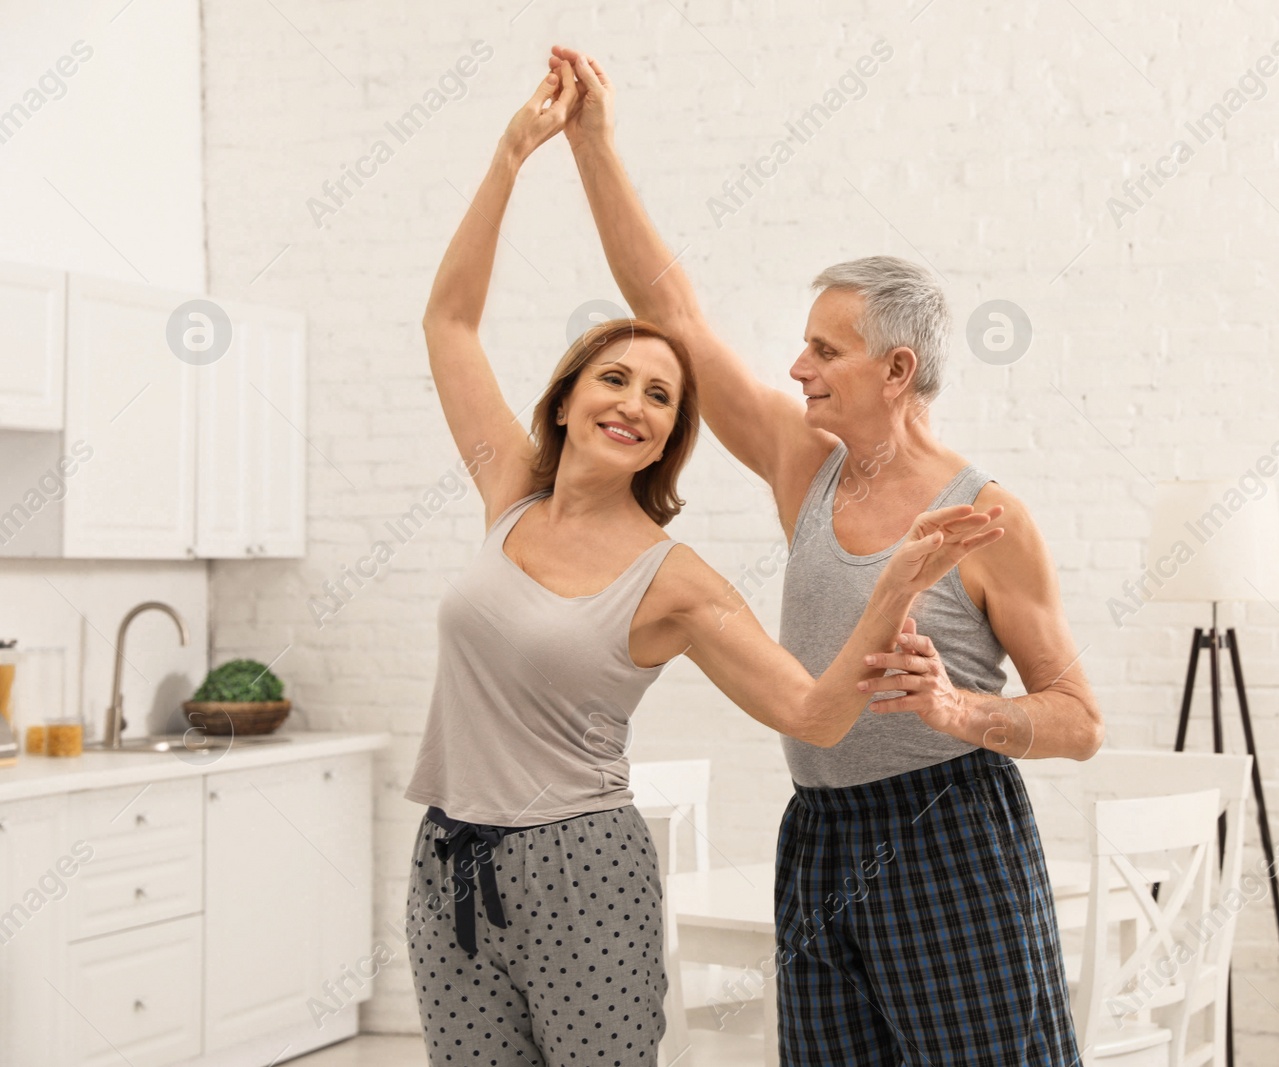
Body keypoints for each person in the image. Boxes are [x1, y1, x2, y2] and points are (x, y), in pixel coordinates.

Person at [400, 59, 1007, 1067]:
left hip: (580, 871)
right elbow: (448, 322)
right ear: (564, 397)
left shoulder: (672, 578)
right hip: (446, 859)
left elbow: (813, 712)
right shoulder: (509, 491)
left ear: (672, 434)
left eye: (661, 397)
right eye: (615, 378)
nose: (634, 403)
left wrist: (894, 583)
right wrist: (513, 155)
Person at [553, 44, 1105, 1066]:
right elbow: (673, 316)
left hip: (953, 834)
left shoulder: (987, 518)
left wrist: (956, 709)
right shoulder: (800, 464)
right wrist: (593, 145)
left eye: (824, 349)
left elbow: (1077, 719)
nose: (795, 367)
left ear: (896, 369)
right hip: (819, 831)